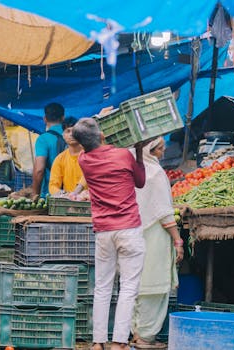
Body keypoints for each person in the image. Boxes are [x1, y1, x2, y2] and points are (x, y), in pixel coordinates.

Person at [72, 117, 147, 350]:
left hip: (103, 231)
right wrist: (140, 152)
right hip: (129, 228)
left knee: (103, 287)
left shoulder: (83, 160)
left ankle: (97, 342)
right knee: (128, 287)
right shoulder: (123, 155)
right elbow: (141, 182)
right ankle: (119, 342)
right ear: (102, 135)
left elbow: (91, 139)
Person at [130, 137, 184, 349]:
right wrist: (177, 239)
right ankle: (145, 337)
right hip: (154, 236)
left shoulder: (133, 171)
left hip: (135, 233)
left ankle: (136, 333)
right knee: (154, 286)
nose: (162, 154)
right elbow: (164, 214)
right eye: (160, 150)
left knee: (138, 287)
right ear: (150, 151)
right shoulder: (155, 174)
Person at [32, 102, 66, 198]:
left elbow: (39, 170)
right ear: (63, 118)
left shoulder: (43, 139)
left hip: (51, 196)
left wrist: (35, 195)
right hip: (74, 194)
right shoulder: (73, 136)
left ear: (45, 119)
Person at [48, 117, 86, 195]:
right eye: (68, 131)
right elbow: (53, 185)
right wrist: (60, 193)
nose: (71, 134)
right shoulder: (60, 159)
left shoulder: (90, 154)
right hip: (69, 203)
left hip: (90, 201)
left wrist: (76, 192)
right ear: (63, 135)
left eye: (74, 131)